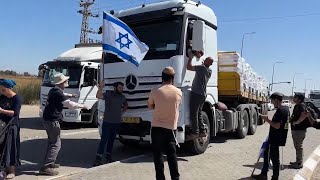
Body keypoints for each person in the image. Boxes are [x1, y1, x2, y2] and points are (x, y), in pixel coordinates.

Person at [39, 73, 87, 176]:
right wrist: (83, 106)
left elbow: (63, 95)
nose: (67, 82)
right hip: (52, 121)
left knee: (52, 142)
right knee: (56, 144)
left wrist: (71, 95)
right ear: (61, 83)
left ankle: (49, 163)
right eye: (66, 81)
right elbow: (70, 105)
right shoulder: (58, 93)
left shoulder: (54, 90)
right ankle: (46, 167)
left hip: (48, 119)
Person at [148, 67, 182, 180]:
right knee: (172, 156)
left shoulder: (155, 90)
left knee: (158, 157)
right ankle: (175, 178)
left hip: (156, 128)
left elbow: (150, 106)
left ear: (162, 77)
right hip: (171, 129)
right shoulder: (178, 92)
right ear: (173, 78)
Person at [252, 92, 290, 180]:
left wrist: (267, 119)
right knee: (267, 155)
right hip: (277, 137)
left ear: (276, 99)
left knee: (274, 159)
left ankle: (274, 177)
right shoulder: (286, 109)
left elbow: (277, 125)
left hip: (275, 139)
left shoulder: (281, 110)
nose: (272, 102)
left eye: (272, 100)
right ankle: (264, 174)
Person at [93, 81, 128, 166]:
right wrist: (101, 87)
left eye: (122, 88)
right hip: (107, 122)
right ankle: (98, 158)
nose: (121, 89)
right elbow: (98, 96)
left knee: (111, 141)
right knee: (104, 140)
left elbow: (126, 105)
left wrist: (121, 113)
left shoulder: (122, 97)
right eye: (120, 88)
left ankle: (108, 157)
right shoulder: (108, 94)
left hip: (116, 122)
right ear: (115, 88)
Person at [186, 50, 214, 139]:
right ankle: (202, 131)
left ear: (208, 62)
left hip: (196, 93)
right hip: (203, 94)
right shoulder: (209, 71)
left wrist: (190, 57)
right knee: (199, 113)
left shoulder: (201, 68)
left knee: (193, 114)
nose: (204, 59)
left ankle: (195, 132)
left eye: (206, 59)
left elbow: (189, 67)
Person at [0, 79, 22, 179]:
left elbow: (15, 113)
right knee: (2, 147)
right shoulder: (2, 97)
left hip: (12, 125)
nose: (2, 92)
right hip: (2, 125)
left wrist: (2, 110)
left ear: (9, 89)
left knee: (11, 148)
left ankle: (12, 171)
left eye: (3, 90)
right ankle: (4, 168)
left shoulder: (17, 98)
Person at [289, 93, 310, 169]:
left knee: (298, 146)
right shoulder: (297, 106)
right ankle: (298, 161)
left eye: (295, 97)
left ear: (299, 99)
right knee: (297, 146)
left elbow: (304, 115)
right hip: (296, 130)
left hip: (299, 130)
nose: (293, 98)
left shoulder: (301, 106)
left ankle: (299, 163)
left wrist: (297, 122)